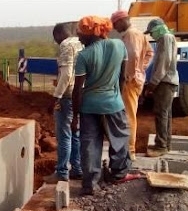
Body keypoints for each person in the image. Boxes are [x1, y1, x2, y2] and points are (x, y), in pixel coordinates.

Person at [71, 16, 136, 195]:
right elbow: (122, 77)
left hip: (89, 107)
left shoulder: (84, 55)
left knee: (90, 144)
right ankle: (118, 174)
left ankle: (90, 184)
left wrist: (75, 116)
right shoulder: (119, 46)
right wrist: (117, 97)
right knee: (119, 138)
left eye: (80, 33)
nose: (78, 37)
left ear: (92, 33)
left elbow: (78, 89)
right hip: (112, 103)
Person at [43, 22, 83, 184]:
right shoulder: (80, 43)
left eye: (56, 39)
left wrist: (56, 97)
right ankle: (77, 168)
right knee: (75, 133)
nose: (57, 43)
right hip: (79, 95)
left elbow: (66, 75)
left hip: (67, 96)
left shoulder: (66, 45)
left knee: (64, 135)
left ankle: (61, 172)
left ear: (59, 35)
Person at [111, 10, 154, 161]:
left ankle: (130, 150)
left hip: (131, 81)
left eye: (116, 24)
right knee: (130, 113)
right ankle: (129, 149)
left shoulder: (130, 35)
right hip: (137, 79)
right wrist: (141, 69)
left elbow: (133, 55)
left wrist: (129, 75)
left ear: (123, 20)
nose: (115, 28)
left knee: (128, 116)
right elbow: (149, 52)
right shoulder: (139, 33)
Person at [143, 18, 179, 157]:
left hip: (165, 82)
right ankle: (164, 143)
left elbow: (164, 63)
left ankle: (161, 145)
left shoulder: (166, 38)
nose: (151, 35)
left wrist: (153, 83)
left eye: (151, 32)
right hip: (166, 81)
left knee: (161, 113)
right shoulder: (166, 38)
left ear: (158, 28)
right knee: (165, 114)